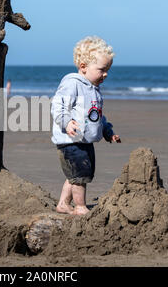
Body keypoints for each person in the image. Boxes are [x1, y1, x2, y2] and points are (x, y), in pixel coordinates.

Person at [51, 36, 121, 215]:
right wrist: (66, 123)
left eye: (108, 70)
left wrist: (108, 131)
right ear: (83, 67)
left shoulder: (94, 91)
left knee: (76, 175)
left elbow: (98, 116)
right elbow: (58, 105)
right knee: (80, 175)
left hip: (85, 140)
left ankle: (63, 204)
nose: (105, 74)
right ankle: (80, 206)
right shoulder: (72, 83)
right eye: (102, 70)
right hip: (70, 140)